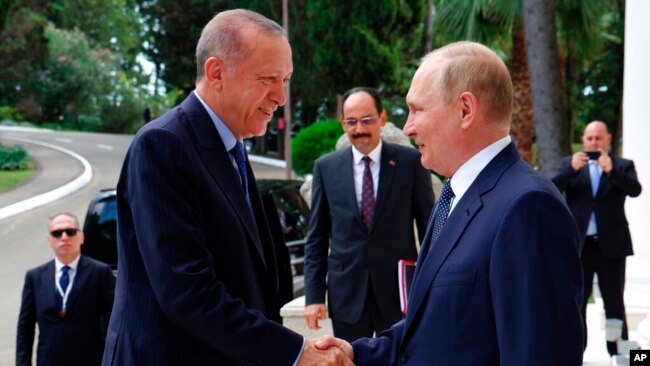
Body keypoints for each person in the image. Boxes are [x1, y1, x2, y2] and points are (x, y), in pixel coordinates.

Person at [102, 9, 351, 366]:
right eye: (268, 78)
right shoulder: (163, 144)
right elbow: (187, 292)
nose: (280, 97)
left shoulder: (231, 147)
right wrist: (296, 353)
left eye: (286, 80)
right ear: (216, 72)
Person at [317, 41, 585, 365]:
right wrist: (356, 353)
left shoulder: (528, 208)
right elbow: (435, 328)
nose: (407, 127)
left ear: (465, 109)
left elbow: (538, 354)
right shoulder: (454, 195)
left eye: (417, 109)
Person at [303, 86, 434, 342]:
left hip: (398, 295)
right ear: (343, 124)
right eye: (351, 122)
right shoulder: (325, 168)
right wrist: (315, 297)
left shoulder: (411, 163)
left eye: (366, 120)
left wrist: (431, 288)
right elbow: (316, 238)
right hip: (347, 296)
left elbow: (430, 228)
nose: (359, 129)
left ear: (382, 119)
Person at [552, 120, 642, 356]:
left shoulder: (622, 165)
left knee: (614, 302)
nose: (594, 143)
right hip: (579, 247)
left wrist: (611, 170)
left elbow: (635, 190)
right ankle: (574, 354)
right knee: (577, 302)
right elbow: (550, 188)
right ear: (583, 140)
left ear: (608, 139)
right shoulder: (570, 164)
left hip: (612, 247)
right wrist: (570, 169)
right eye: (590, 138)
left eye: (598, 138)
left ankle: (622, 355)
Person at [16, 212, 115, 366]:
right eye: (57, 233)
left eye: (70, 231)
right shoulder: (34, 277)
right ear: (49, 240)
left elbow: (113, 322)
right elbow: (25, 328)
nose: (64, 237)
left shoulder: (100, 273)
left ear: (81, 237)